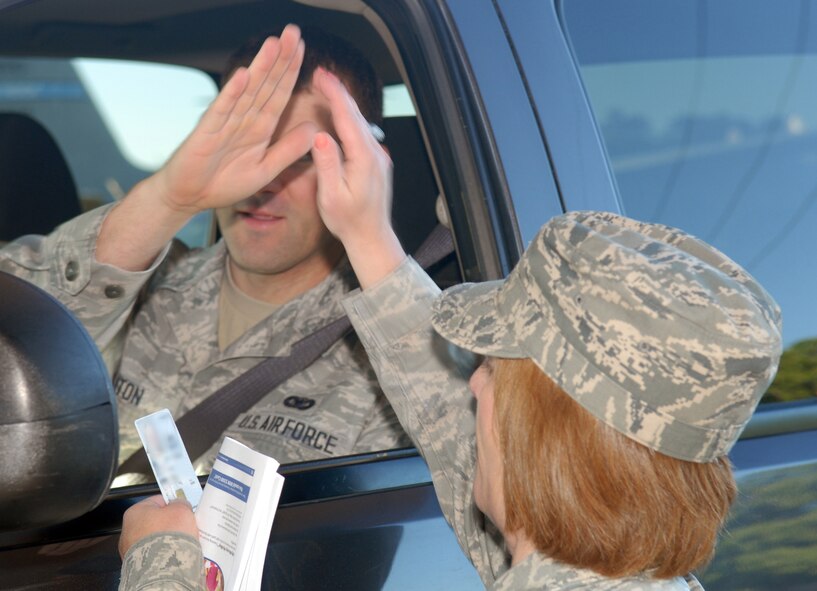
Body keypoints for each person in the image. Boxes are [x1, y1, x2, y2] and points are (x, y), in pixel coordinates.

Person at [117, 63, 783, 590]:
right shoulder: (592, 561)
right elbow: (444, 416)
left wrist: (162, 568)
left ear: (541, 441)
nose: (472, 387)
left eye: (491, 366)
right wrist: (367, 234)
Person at [0, 25, 410, 477]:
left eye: (302, 155)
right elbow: (16, 332)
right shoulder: (138, 285)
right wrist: (168, 199)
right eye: (247, 147)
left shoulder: (394, 355)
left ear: (364, 164)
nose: (263, 181)